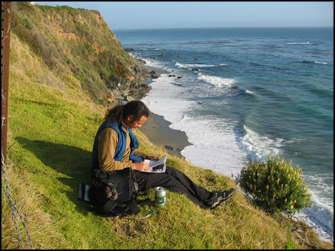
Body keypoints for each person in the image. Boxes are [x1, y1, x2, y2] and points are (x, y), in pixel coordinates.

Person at [91, 100, 235, 209]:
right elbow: (106, 165)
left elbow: (127, 151)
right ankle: (203, 205)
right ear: (130, 117)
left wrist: (147, 157)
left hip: (128, 167)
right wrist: (134, 165)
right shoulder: (110, 133)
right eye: (139, 123)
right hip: (119, 175)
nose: (139, 126)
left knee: (173, 171)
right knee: (168, 181)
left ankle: (209, 197)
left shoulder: (124, 126)